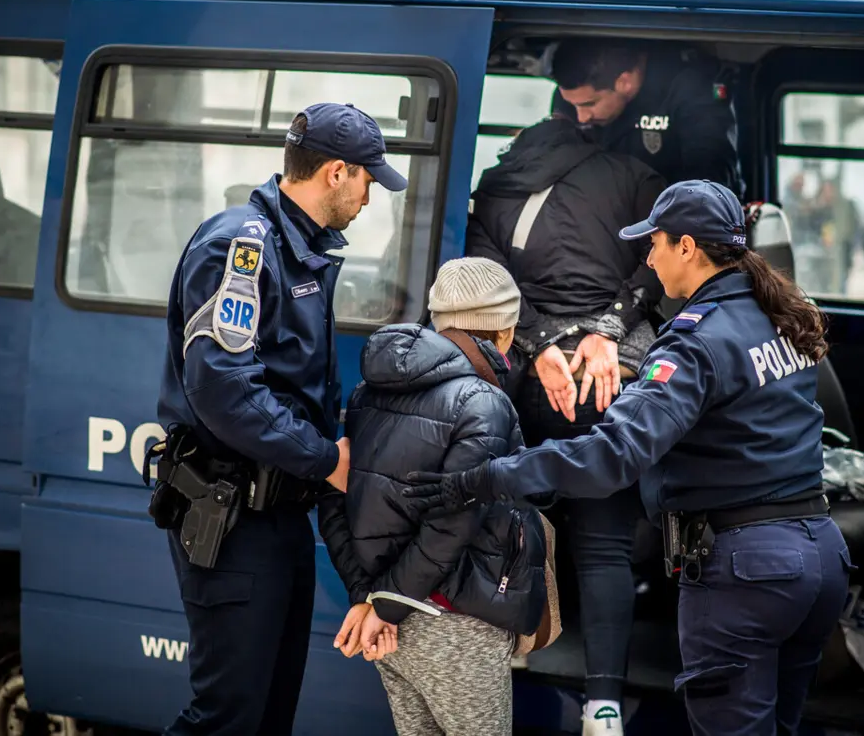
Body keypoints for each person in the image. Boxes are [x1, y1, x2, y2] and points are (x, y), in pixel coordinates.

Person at [405, 180, 851, 736]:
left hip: (748, 573)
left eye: (655, 243)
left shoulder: (695, 343)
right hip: (820, 557)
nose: (649, 258)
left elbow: (612, 456)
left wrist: (485, 477)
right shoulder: (782, 314)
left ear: (687, 247)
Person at [152, 102, 407, 736]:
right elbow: (224, 389)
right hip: (233, 515)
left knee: (267, 717)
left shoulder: (298, 248)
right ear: (336, 172)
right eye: (368, 180)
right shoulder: (242, 246)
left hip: (279, 513)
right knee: (226, 719)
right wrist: (325, 459)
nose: (369, 197)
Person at [465, 114, 665, 733]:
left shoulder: (494, 189)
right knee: (604, 546)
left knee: (512, 525)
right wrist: (607, 329)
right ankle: (603, 706)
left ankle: (513, 655)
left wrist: (540, 343)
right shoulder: (631, 175)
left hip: (531, 384)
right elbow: (658, 262)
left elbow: (488, 286)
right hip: (608, 377)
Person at [317, 256, 548, 736]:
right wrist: (385, 605)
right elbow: (452, 523)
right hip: (457, 623)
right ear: (504, 333)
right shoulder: (484, 402)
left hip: (390, 622)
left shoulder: (367, 392)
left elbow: (336, 496)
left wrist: (369, 598)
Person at [549, 37, 744, 195]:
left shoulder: (689, 87)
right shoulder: (572, 95)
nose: (581, 117)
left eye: (590, 104)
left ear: (625, 83)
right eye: (572, 105)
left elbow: (709, 174)